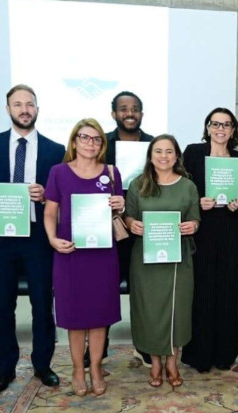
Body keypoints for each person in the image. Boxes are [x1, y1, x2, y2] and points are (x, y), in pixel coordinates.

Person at [0, 84, 65, 394]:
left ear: (37, 109)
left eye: (30, 104)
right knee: (3, 306)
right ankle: (5, 368)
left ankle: (42, 364)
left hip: (37, 237)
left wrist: (46, 194)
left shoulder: (55, 149)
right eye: (18, 104)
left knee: (41, 304)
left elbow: (62, 194)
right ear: (8, 109)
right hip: (1, 238)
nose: (24, 109)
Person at [43, 119, 124, 396]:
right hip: (70, 253)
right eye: (85, 137)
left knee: (100, 316)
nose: (91, 143)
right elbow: (50, 212)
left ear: (102, 144)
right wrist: (53, 239)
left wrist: (120, 204)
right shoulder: (58, 172)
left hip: (103, 255)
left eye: (97, 139)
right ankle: (79, 369)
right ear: (74, 141)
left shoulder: (112, 173)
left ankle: (97, 368)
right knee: (75, 316)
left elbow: (118, 212)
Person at [124, 134, 200, 388]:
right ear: (150, 156)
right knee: (150, 311)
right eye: (158, 151)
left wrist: (192, 225)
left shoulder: (188, 186)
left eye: (169, 151)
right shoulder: (138, 184)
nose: (164, 156)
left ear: (177, 155)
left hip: (179, 260)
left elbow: (195, 219)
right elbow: (128, 217)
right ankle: (155, 362)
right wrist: (132, 223)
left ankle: (172, 362)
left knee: (177, 310)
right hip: (146, 260)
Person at [88, 91, 154, 367]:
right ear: (113, 113)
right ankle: (98, 350)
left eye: (135, 109)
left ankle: (145, 345)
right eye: (124, 109)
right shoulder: (100, 144)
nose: (130, 113)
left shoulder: (154, 145)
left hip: (142, 229)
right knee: (103, 290)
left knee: (143, 290)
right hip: (106, 229)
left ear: (141, 113)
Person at [180, 108, 238, 373]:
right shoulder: (194, 153)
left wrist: (237, 204)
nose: (221, 129)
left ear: (233, 130)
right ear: (207, 127)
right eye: (215, 124)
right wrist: (197, 202)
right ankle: (200, 354)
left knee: (226, 289)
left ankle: (225, 353)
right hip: (202, 229)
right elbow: (182, 189)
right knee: (203, 290)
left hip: (229, 229)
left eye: (226, 124)